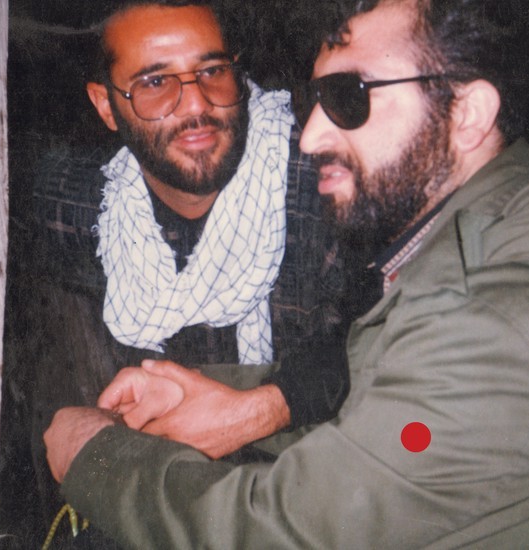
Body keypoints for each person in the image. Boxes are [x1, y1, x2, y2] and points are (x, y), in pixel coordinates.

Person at [44, 0, 529, 547]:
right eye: (318, 99)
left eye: (349, 99)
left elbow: (288, 533)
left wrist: (97, 458)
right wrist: (234, 396)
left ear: (467, 114)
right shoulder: (501, 221)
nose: (309, 137)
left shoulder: (493, 319)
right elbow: (394, 411)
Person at [33, 0, 354, 463]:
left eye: (212, 71)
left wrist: (265, 409)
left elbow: (400, 343)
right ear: (106, 105)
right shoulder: (90, 211)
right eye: (155, 82)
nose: (198, 103)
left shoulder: (325, 185)